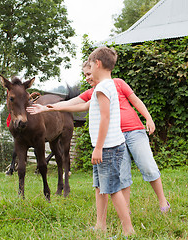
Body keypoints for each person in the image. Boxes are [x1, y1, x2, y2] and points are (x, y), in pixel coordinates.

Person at [28, 47, 135, 236]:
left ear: (97, 64)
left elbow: (105, 119)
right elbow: (81, 104)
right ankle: (100, 225)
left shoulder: (102, 88)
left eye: (90, 65)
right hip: (107, 146)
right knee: (100, 187)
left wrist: (99, 148)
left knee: (112, 190)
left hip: (107, 148)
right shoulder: (104, 86)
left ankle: (129, 231)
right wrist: (47, 108)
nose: (89, 70)